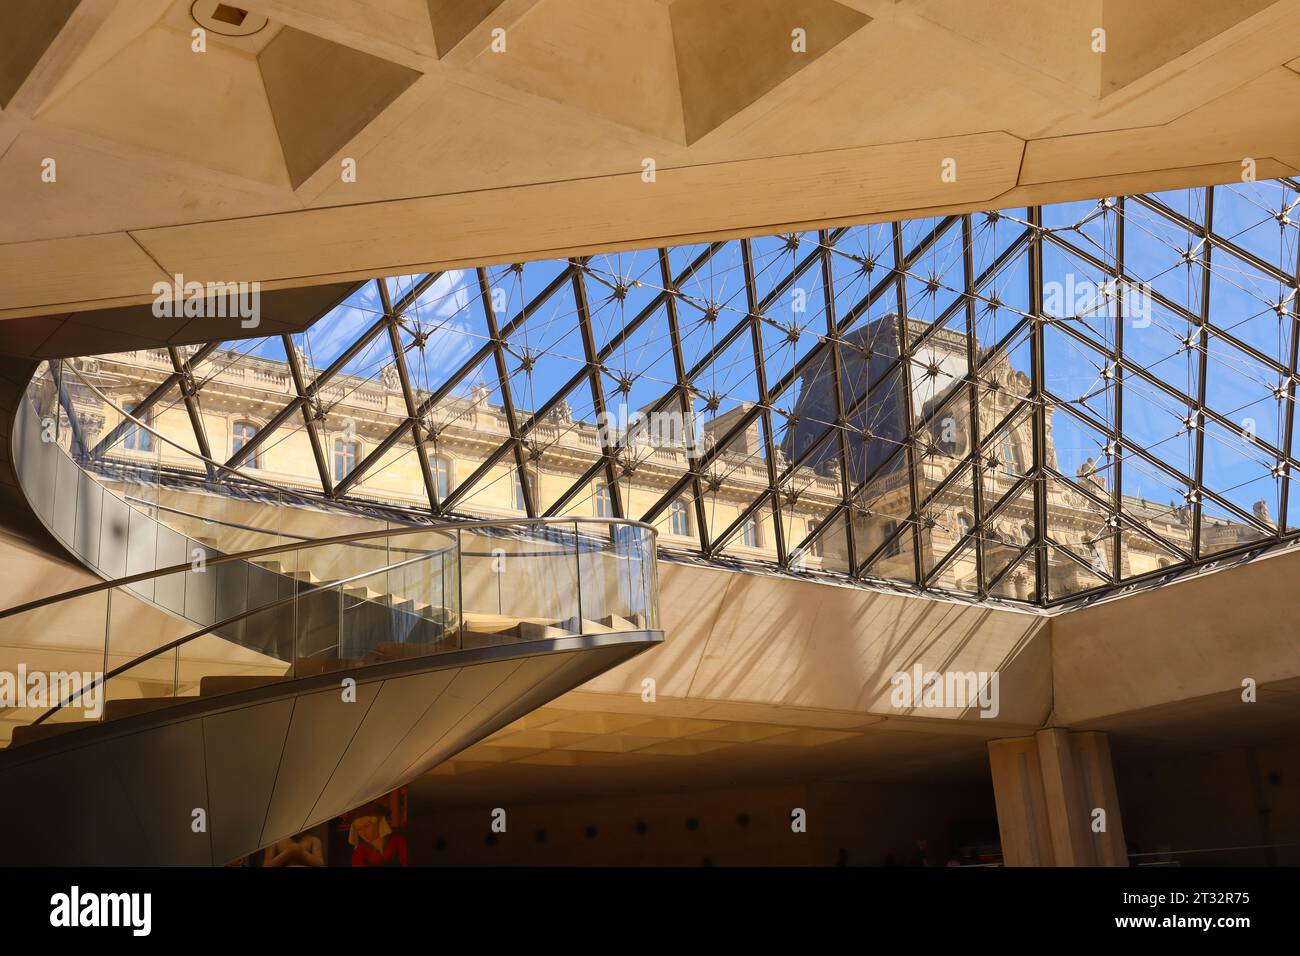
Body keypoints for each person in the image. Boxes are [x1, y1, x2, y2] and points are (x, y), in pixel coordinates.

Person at [349, 802, 408, 867]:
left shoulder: (398, 840)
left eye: (366, 826)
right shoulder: (360, 850)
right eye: (359, 829)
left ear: (378, 823)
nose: (363, 833)